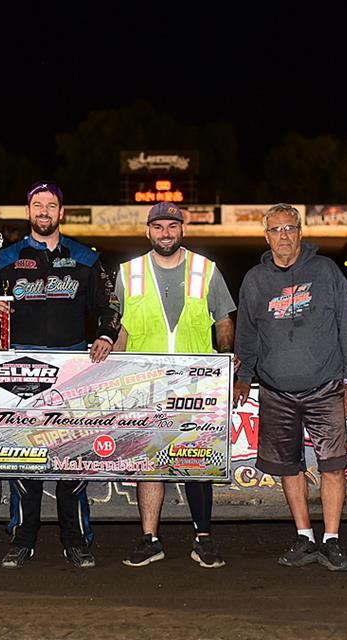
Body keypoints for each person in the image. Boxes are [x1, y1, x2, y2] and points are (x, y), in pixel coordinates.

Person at [0, 181, 120, 568]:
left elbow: (109, 305)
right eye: (37, 205)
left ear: (62, 212)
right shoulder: (6, 258)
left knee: (71, 457)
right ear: (28, 212)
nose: (44, 211)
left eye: (51, 205)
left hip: (72, 367)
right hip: (20, 370)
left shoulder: (84, 257)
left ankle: (75, 539)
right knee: (22, 458)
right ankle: (22, 538)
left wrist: (107, 336)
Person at [233, 203, 347, 572]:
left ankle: (333, 539)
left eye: (290, 229)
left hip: (324, 386)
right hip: (275, 391)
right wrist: (245, 377)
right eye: (276, 230)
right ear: (266, 236)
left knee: (333, 465)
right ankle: (304, 536)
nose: (284, 236)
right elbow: (247, 334)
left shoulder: (325, 271)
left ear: (301, 233)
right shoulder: (255, 280)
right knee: (289, 467)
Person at [113, 202, 236, 569]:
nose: (165, 233)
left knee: (198, 459)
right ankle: (150, 538)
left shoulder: (206, 269)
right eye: (158, 226)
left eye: (172, 226)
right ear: (147, 231)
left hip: (195, 383)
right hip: (143, 384)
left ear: (182, 229)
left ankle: (203, 538)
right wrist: (113, 372)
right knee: (149, 463)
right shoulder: (129, 272)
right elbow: (119, 327)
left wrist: (226, 355)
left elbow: (223, 318)